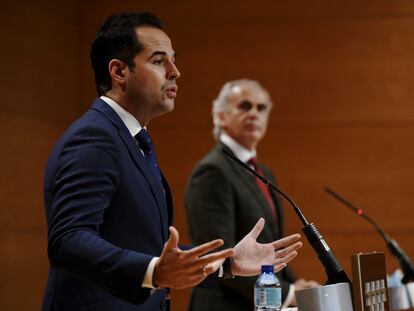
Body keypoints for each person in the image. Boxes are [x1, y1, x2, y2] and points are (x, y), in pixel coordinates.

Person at [41, 13, 303, 311]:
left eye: (173, 60)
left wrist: (228, 261)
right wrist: (152, 272)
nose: (175, 71)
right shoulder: (94, 137)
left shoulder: (132, 139)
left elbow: (148, 247)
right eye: (158, 61)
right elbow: (68, 241)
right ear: (118, 71)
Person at [185, 79, 319, 310]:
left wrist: (296, 283)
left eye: (261, 108)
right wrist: (288, 294)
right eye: (245, 106)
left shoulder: (263, 172)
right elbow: (219, 255)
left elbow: (268, 248)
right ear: (221, 116)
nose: (254, 114)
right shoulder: (212, 171)